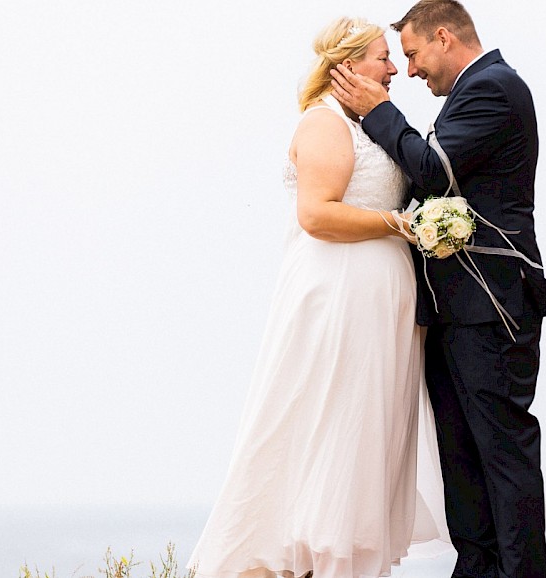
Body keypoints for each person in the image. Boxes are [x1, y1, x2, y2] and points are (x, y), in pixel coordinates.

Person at [186, 16, 450, 578]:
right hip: (342, 296)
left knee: (363, 430)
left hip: (379, 300)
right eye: (383, 57)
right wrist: (405, 225)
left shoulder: (365, 125)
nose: (393, 70)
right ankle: (308, 557)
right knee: (331, 419)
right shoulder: (325, 123)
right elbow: (318, 214)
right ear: (349, 65)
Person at [330, 1, 546, 577]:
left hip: (492, 310)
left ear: (442, 37)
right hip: (453, 310)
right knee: (460, 458)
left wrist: (381, 112)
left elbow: (433, 171)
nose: (408, 71)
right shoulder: (470, 92)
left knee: (502, 454)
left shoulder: (494, 88)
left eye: (411, 54)